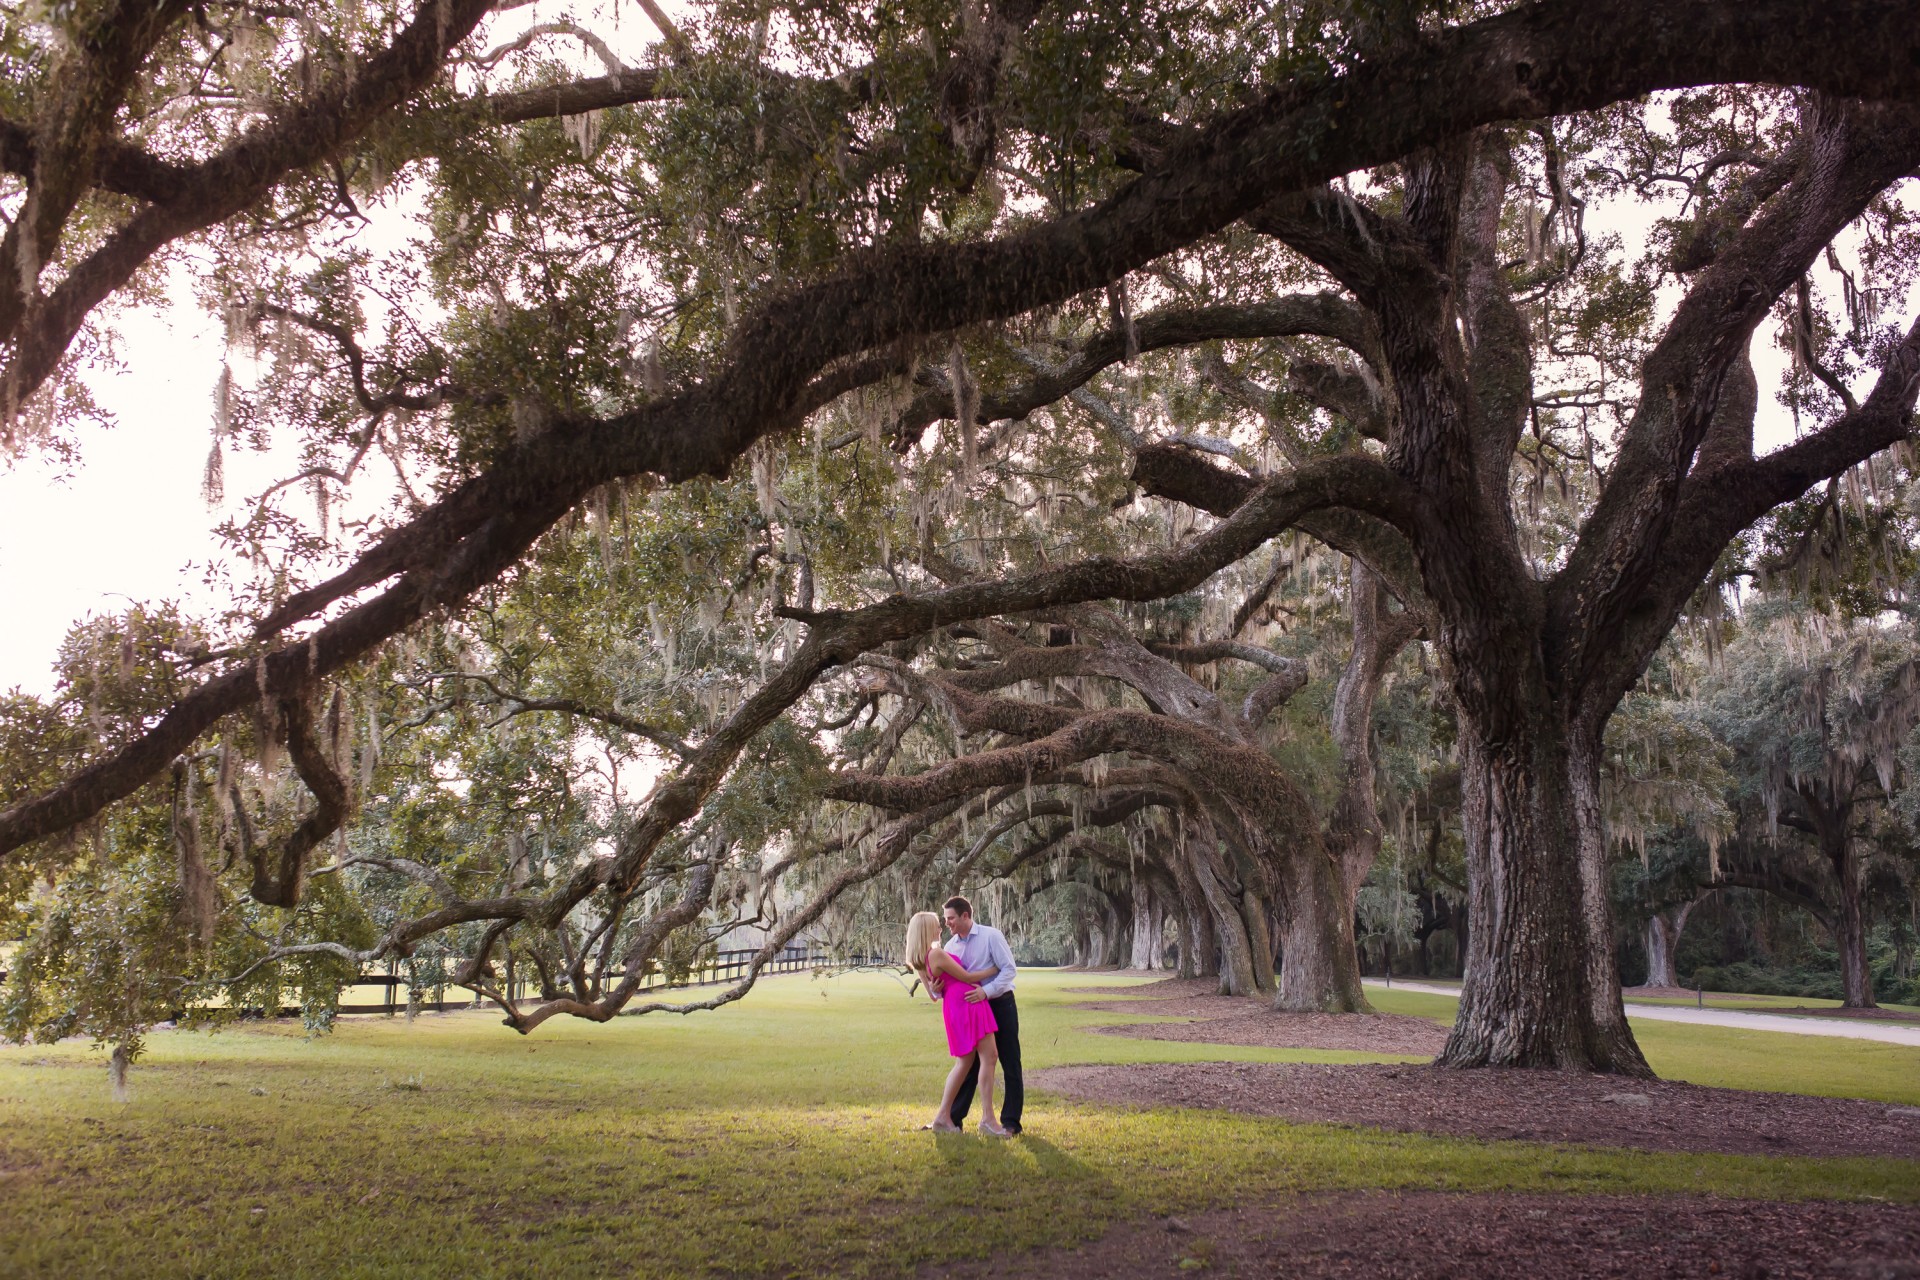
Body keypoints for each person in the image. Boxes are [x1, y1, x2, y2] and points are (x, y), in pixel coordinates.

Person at [904, 910, 1009, 1136]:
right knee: (988, 1057)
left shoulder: (921, 958)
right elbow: (969, 978)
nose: (940, 928)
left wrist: (936, 988)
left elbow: (934, 995)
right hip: (968, 1004)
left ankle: (944, 1116)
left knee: (967, 1062)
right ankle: (987, 1120)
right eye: (935, 925)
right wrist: (997, 967)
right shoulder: (937, 954)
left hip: (957, 1006)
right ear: (925, 930)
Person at [941, 895, 1023, 1136]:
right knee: (970, 1063)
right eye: (946, 919)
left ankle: (1010, 1122)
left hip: (1000, 1003)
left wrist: (985, 992)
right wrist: (939, 987)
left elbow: (1009, 970)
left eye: (951, 918)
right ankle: (953, 1118)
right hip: (973, 1010)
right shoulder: (949, 947)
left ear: (966, 915)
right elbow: (951, 981)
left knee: (1010, 1062)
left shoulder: (991, 936)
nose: (948, 924)